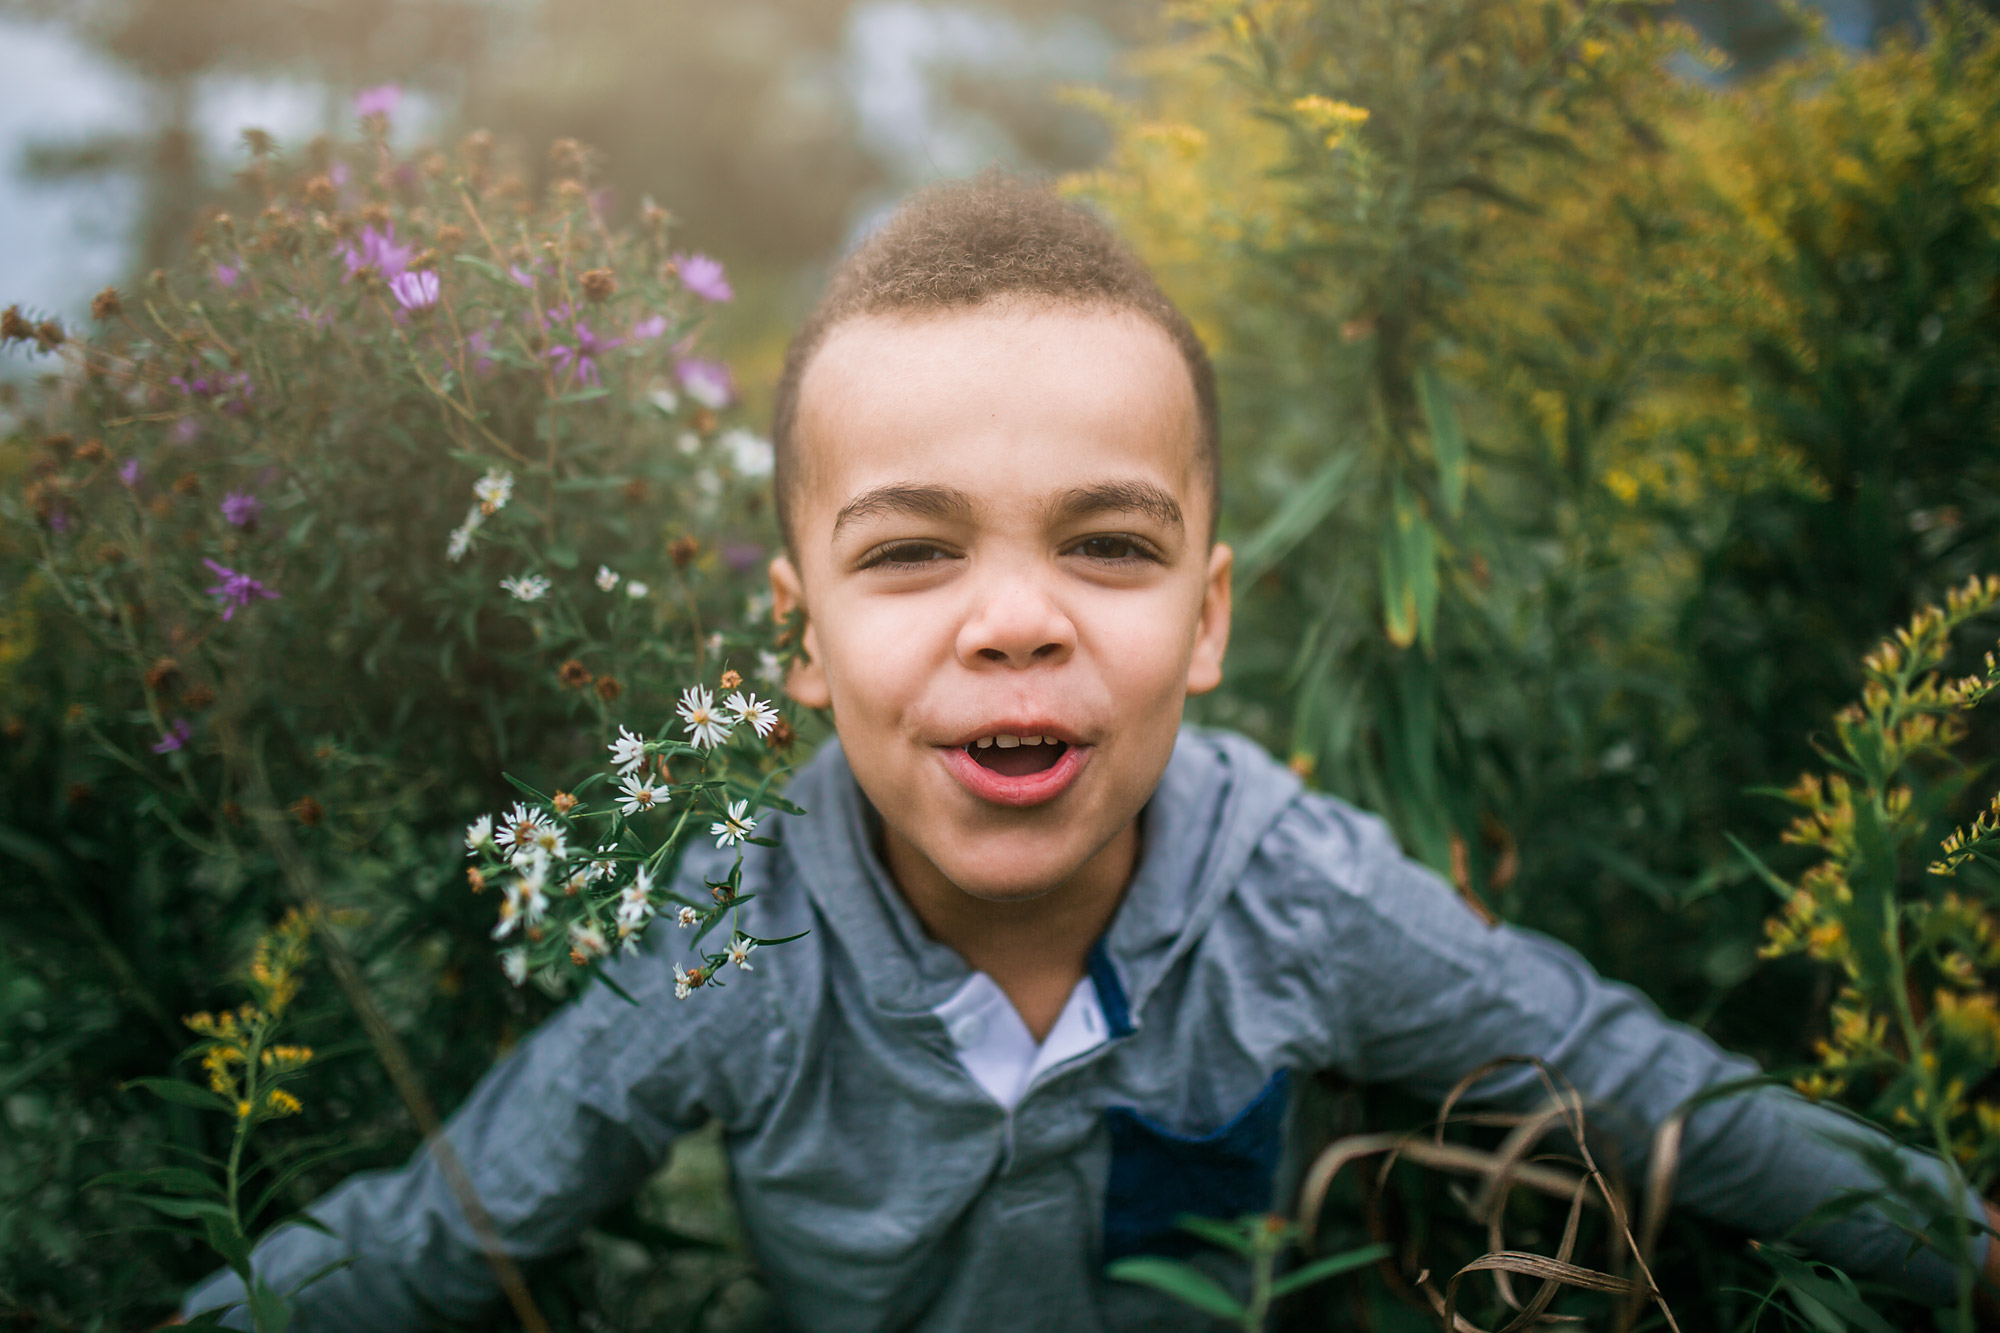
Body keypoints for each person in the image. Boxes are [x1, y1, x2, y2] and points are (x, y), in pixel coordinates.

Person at [183, 174, 1997, 1330]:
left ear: (1206, 618)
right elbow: (451, 1218)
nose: (1016, 619)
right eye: (910, 550)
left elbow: (1630, 1081)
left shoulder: (1297, 890)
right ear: (801, 639)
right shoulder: (730, 945)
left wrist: (1954, 1241)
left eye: (1107, 545)